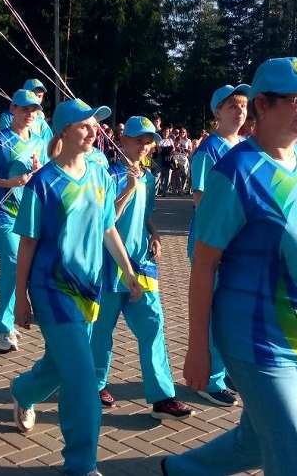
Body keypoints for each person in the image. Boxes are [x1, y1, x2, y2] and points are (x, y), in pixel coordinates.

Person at [163, 57, 297, 476]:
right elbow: (204, 265)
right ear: (262, 105)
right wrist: (197, 350)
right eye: (296, 99)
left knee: (254, 441)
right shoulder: (236, 172)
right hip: (255, 339)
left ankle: (181, 468)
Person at [10, 98, 142, 476]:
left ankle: (22, 392)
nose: (94, 131)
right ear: (65, 130)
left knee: (59, 364)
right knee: (83, 378)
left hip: (89, 290)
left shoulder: (100, 174)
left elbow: (107, 227)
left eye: (96, 125)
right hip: (52, 290)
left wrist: (128, 272)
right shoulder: (43, 183)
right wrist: (21, 297)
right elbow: (29, 243)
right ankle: (81, 465)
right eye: (85, 125)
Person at [90, 116, 194, 420]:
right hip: (109, 264)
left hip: (142, 264)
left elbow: (144, 213)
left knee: (153, 327)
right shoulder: (106, 174)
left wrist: (155, 232)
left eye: (149, 141)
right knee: (101, 331)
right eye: (138, 140)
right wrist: (128, 187)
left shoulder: (148, 177)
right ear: (122, 140)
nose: (144, 146)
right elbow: (105, 220)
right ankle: (94, 385)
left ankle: (163, 398)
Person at [185, 83, 249, 407]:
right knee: (213, 311)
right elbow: (199, 198)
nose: (240, 111)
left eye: (243, 106)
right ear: (218, 113)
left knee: (230, 310)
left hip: (237, 244)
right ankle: (208, 380)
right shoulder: (208, 150)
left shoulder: (246, 147)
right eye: (232, 106)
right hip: (212, 243)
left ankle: (224, 372)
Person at [0, 89, 47, 352]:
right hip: (1, 214)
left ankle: (2, 321)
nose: (29, 114)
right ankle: (5, 326)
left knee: (15, 269)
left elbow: (47, 177)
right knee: (14, 262)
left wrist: (40, 171)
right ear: (12, 110)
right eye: (24, 109)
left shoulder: (40, 142)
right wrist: (7, 182)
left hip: (27, 215)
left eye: (34, 109)